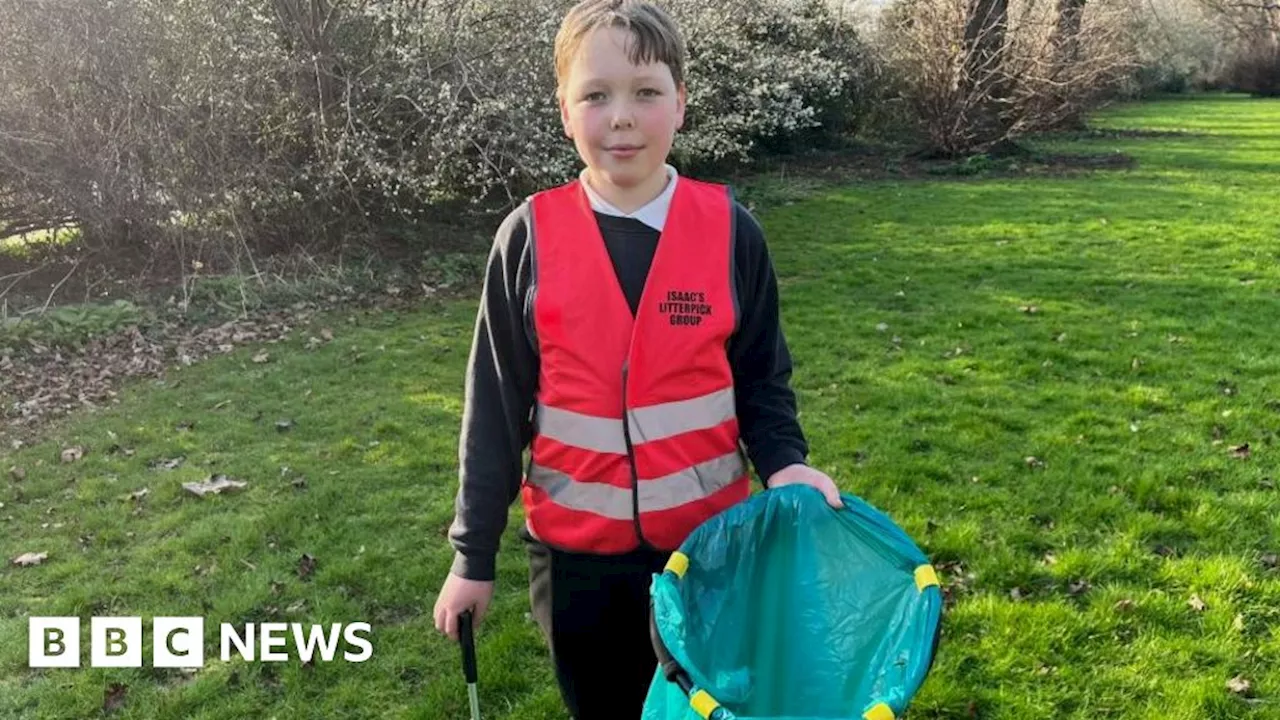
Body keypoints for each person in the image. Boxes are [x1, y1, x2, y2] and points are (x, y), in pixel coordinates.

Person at [432, 1, 841, 717]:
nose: (621, 116)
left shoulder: (730, 232)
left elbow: (762, 379)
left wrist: (785, 461)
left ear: (680, 105)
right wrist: (473, 556)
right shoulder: (527, 239)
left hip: (709, 553)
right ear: (565, 111)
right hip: (575, 568)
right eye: (596, 94)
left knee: (707, 709)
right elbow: (493, 409)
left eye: (646, 92)